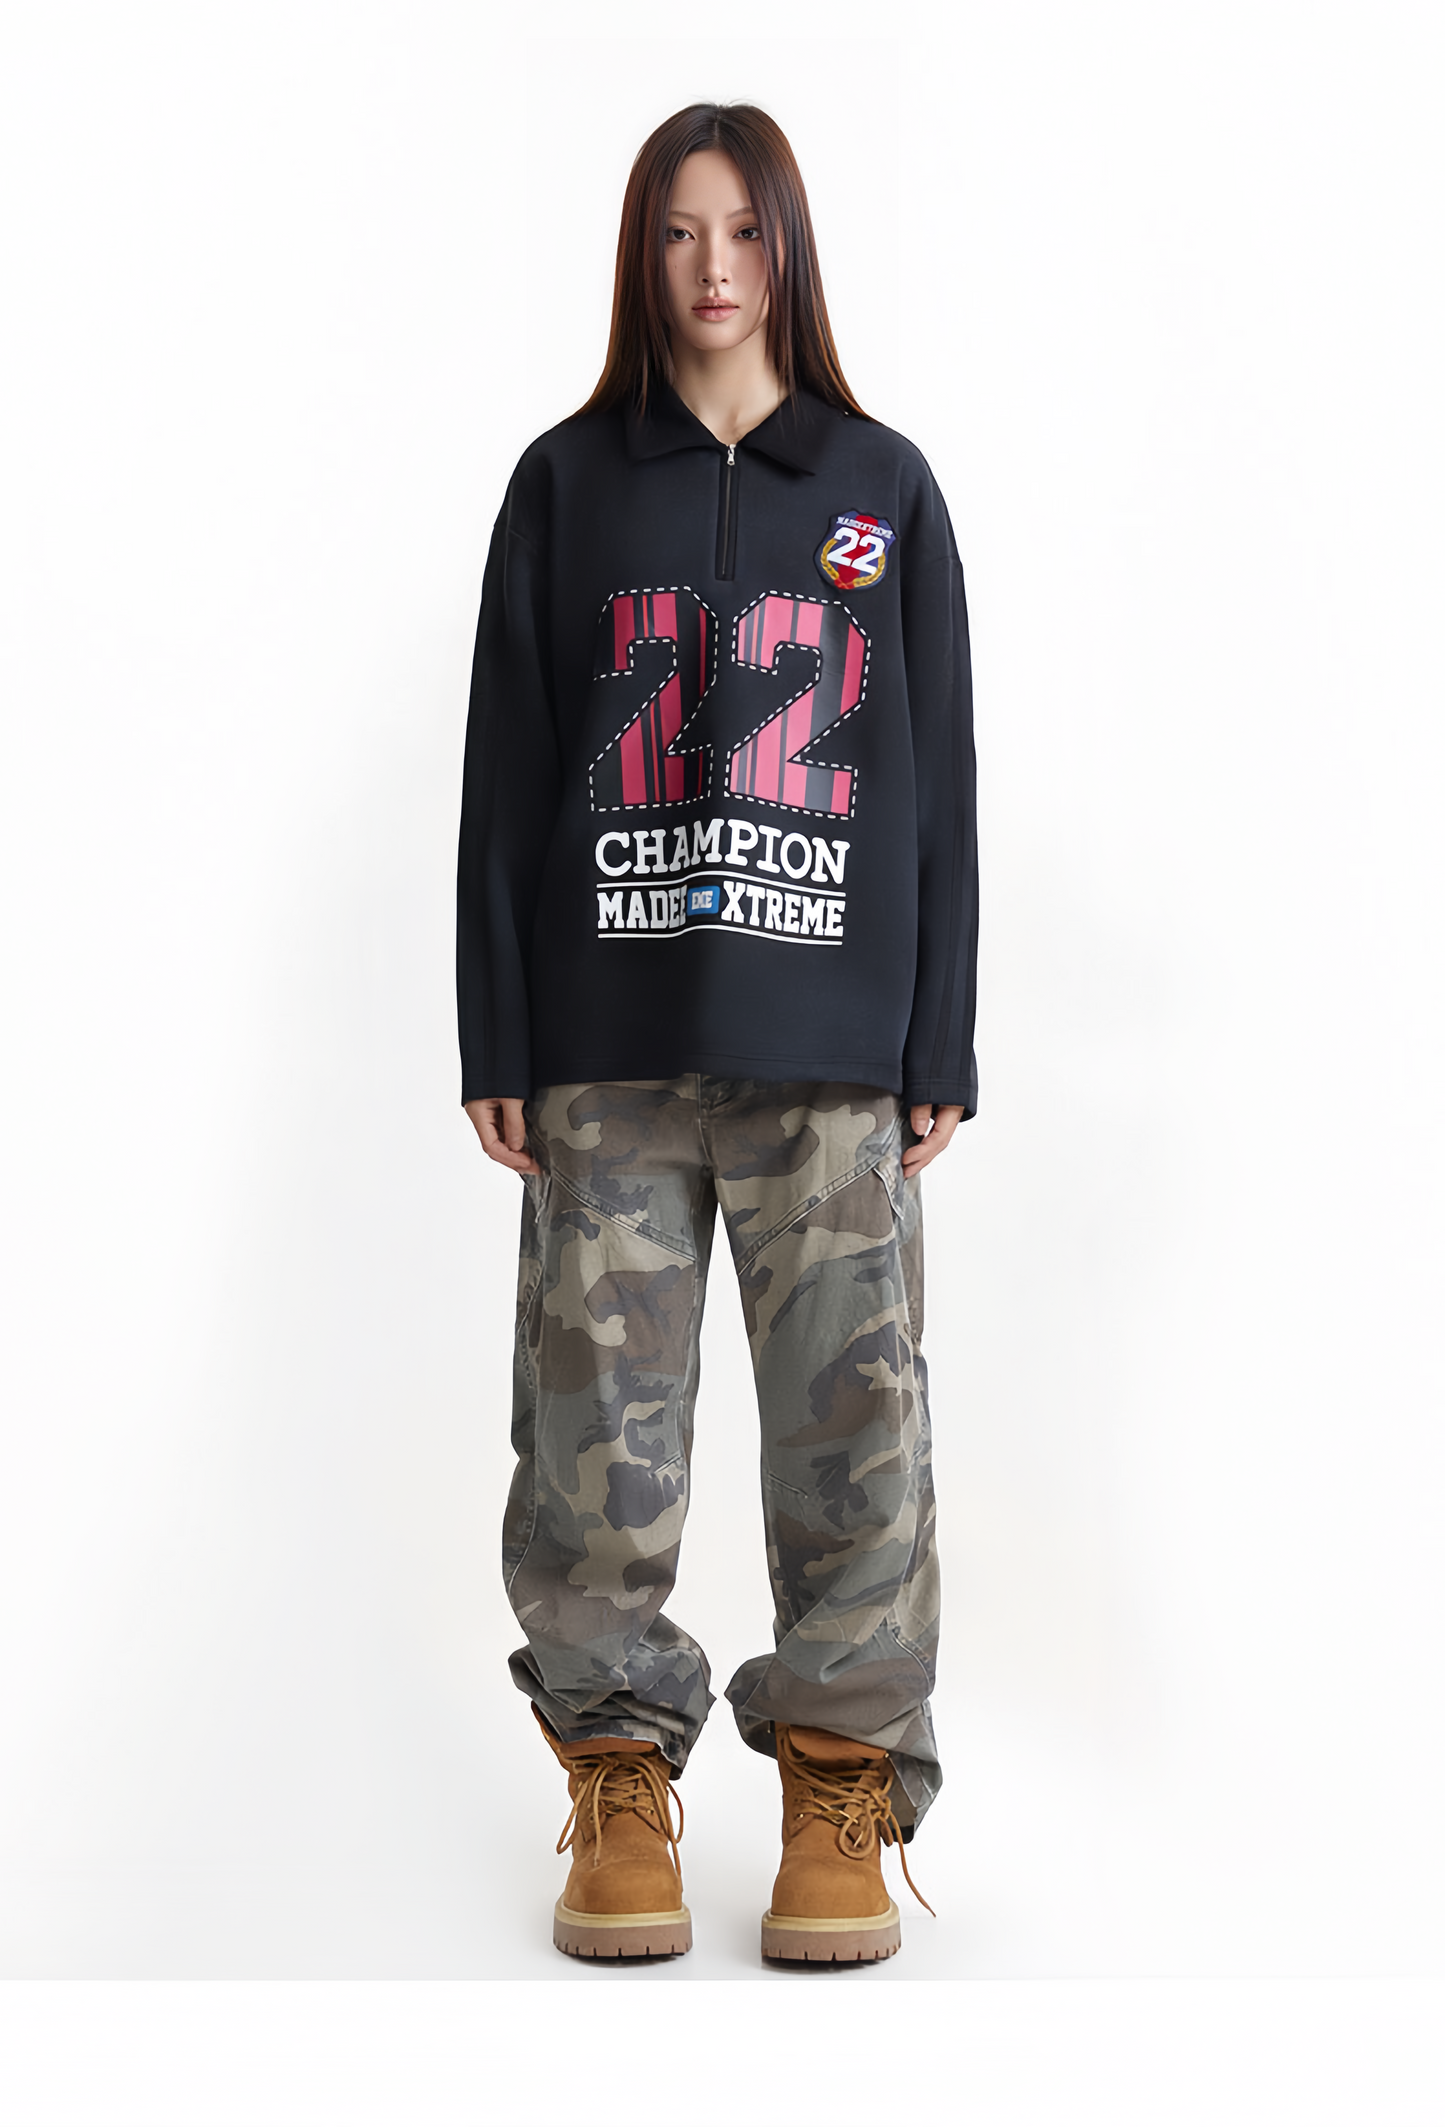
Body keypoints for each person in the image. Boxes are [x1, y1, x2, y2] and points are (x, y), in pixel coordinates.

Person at [456, 102, 977, 1965]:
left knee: (858, 1432)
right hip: (607, 1045)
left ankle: (840, 1782)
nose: (713, 267)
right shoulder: (567, 484)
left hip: (833, 1050)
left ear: (789, 248)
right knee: (594, 1441)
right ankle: (616, 1772)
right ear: (642, 253)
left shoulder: (883, 489)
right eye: (680, 232)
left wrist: (939, 1036)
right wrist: (497, 1029)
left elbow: (938, 777)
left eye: (743, 229)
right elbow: (509, 772)